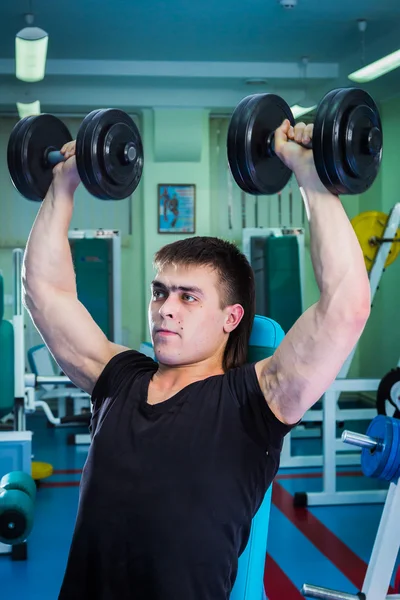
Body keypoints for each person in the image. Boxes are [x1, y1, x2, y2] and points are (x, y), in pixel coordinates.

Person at [22, 119, 370, 600]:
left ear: (231, 318)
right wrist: (63, 185)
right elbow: (46, 292)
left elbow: (346, 307)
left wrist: (309, 174)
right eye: (160, 292)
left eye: (189, 298)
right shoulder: (119, 376)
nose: (165, 307)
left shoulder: (253, 403)